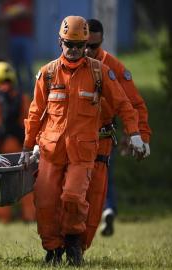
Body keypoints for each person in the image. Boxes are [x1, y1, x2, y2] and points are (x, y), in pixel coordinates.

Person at [18, 16, 146, 266]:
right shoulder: (47, 73)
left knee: (74, 198)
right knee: (44, 202)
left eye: (80, 45)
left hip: (82, 152)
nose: (75, 50)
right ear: (60, 42)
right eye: (69, 44)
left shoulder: (100, 72)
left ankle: (73, 244)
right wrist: (27, 146)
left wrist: (136, 134)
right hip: (51, 151)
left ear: (86, 43)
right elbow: (35, 113)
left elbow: (124, 105)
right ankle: (53, 250)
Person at [80, 18, 151, 248]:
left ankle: (102, 215)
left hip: (101, 139)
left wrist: (140, 137)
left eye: (95, 46)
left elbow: (136, 105)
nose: (89, 51)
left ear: (101, 42)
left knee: (101, 185)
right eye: (85, 45)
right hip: (71, 140)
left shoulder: (114, 69)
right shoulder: (64, 65)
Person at [0, 61, 36, 223]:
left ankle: (4, 218)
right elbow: (30, 123)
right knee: (25, 181)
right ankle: (30, 215)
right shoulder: (22, 97)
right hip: (19, 147)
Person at [2, 0, 34, 94]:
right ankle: (18, 86)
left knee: (28, 64)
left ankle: (31, 86)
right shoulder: (9, 2)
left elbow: (29, 13)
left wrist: (14, 12)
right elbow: (5, 15)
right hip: (13, 37)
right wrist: (19, 11)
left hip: (26, 36)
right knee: (15, 64)